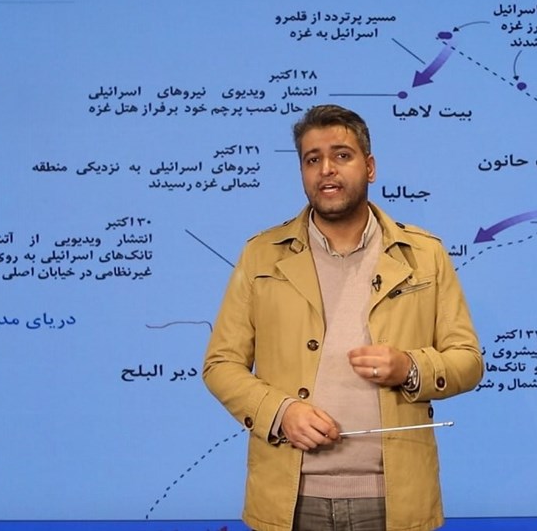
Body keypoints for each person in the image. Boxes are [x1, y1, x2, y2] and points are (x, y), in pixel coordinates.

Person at [202, 104, 483, 531]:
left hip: (394, 500)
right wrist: (280, 412)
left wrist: (410, 368)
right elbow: (221, 364)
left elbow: (467, 360)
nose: (326, 170)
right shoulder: (260, 255)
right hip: (290, 499)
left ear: (369, 167)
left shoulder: (426, 255)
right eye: (312, 159)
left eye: (341, 155)